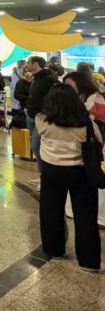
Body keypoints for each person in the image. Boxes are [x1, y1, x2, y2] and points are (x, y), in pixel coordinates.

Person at [36, 85, 101, 272]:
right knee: (86, 216)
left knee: (50, 211)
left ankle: (53, 249)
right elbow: (97, 142)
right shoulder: (87, 125)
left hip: (51, 171)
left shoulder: (42, 122)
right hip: (80, 173)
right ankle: (88, 261)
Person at [62, 71, 105, 228]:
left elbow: (97, 120)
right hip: (78, 150)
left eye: (70, 85)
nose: (67, 89)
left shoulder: (95, 98)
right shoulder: (72, 99)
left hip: (92, 149)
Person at [26, 56, 59, 174]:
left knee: (36, 146)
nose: (26, 64)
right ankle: (43, 175)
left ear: (35, 64)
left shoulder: (48, 79)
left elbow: (56, 96)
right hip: (31, 116)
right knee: (36, 147)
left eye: (28, 62)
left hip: (42, 118)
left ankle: (45, 177)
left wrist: (46, 111)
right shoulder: (36, 78)